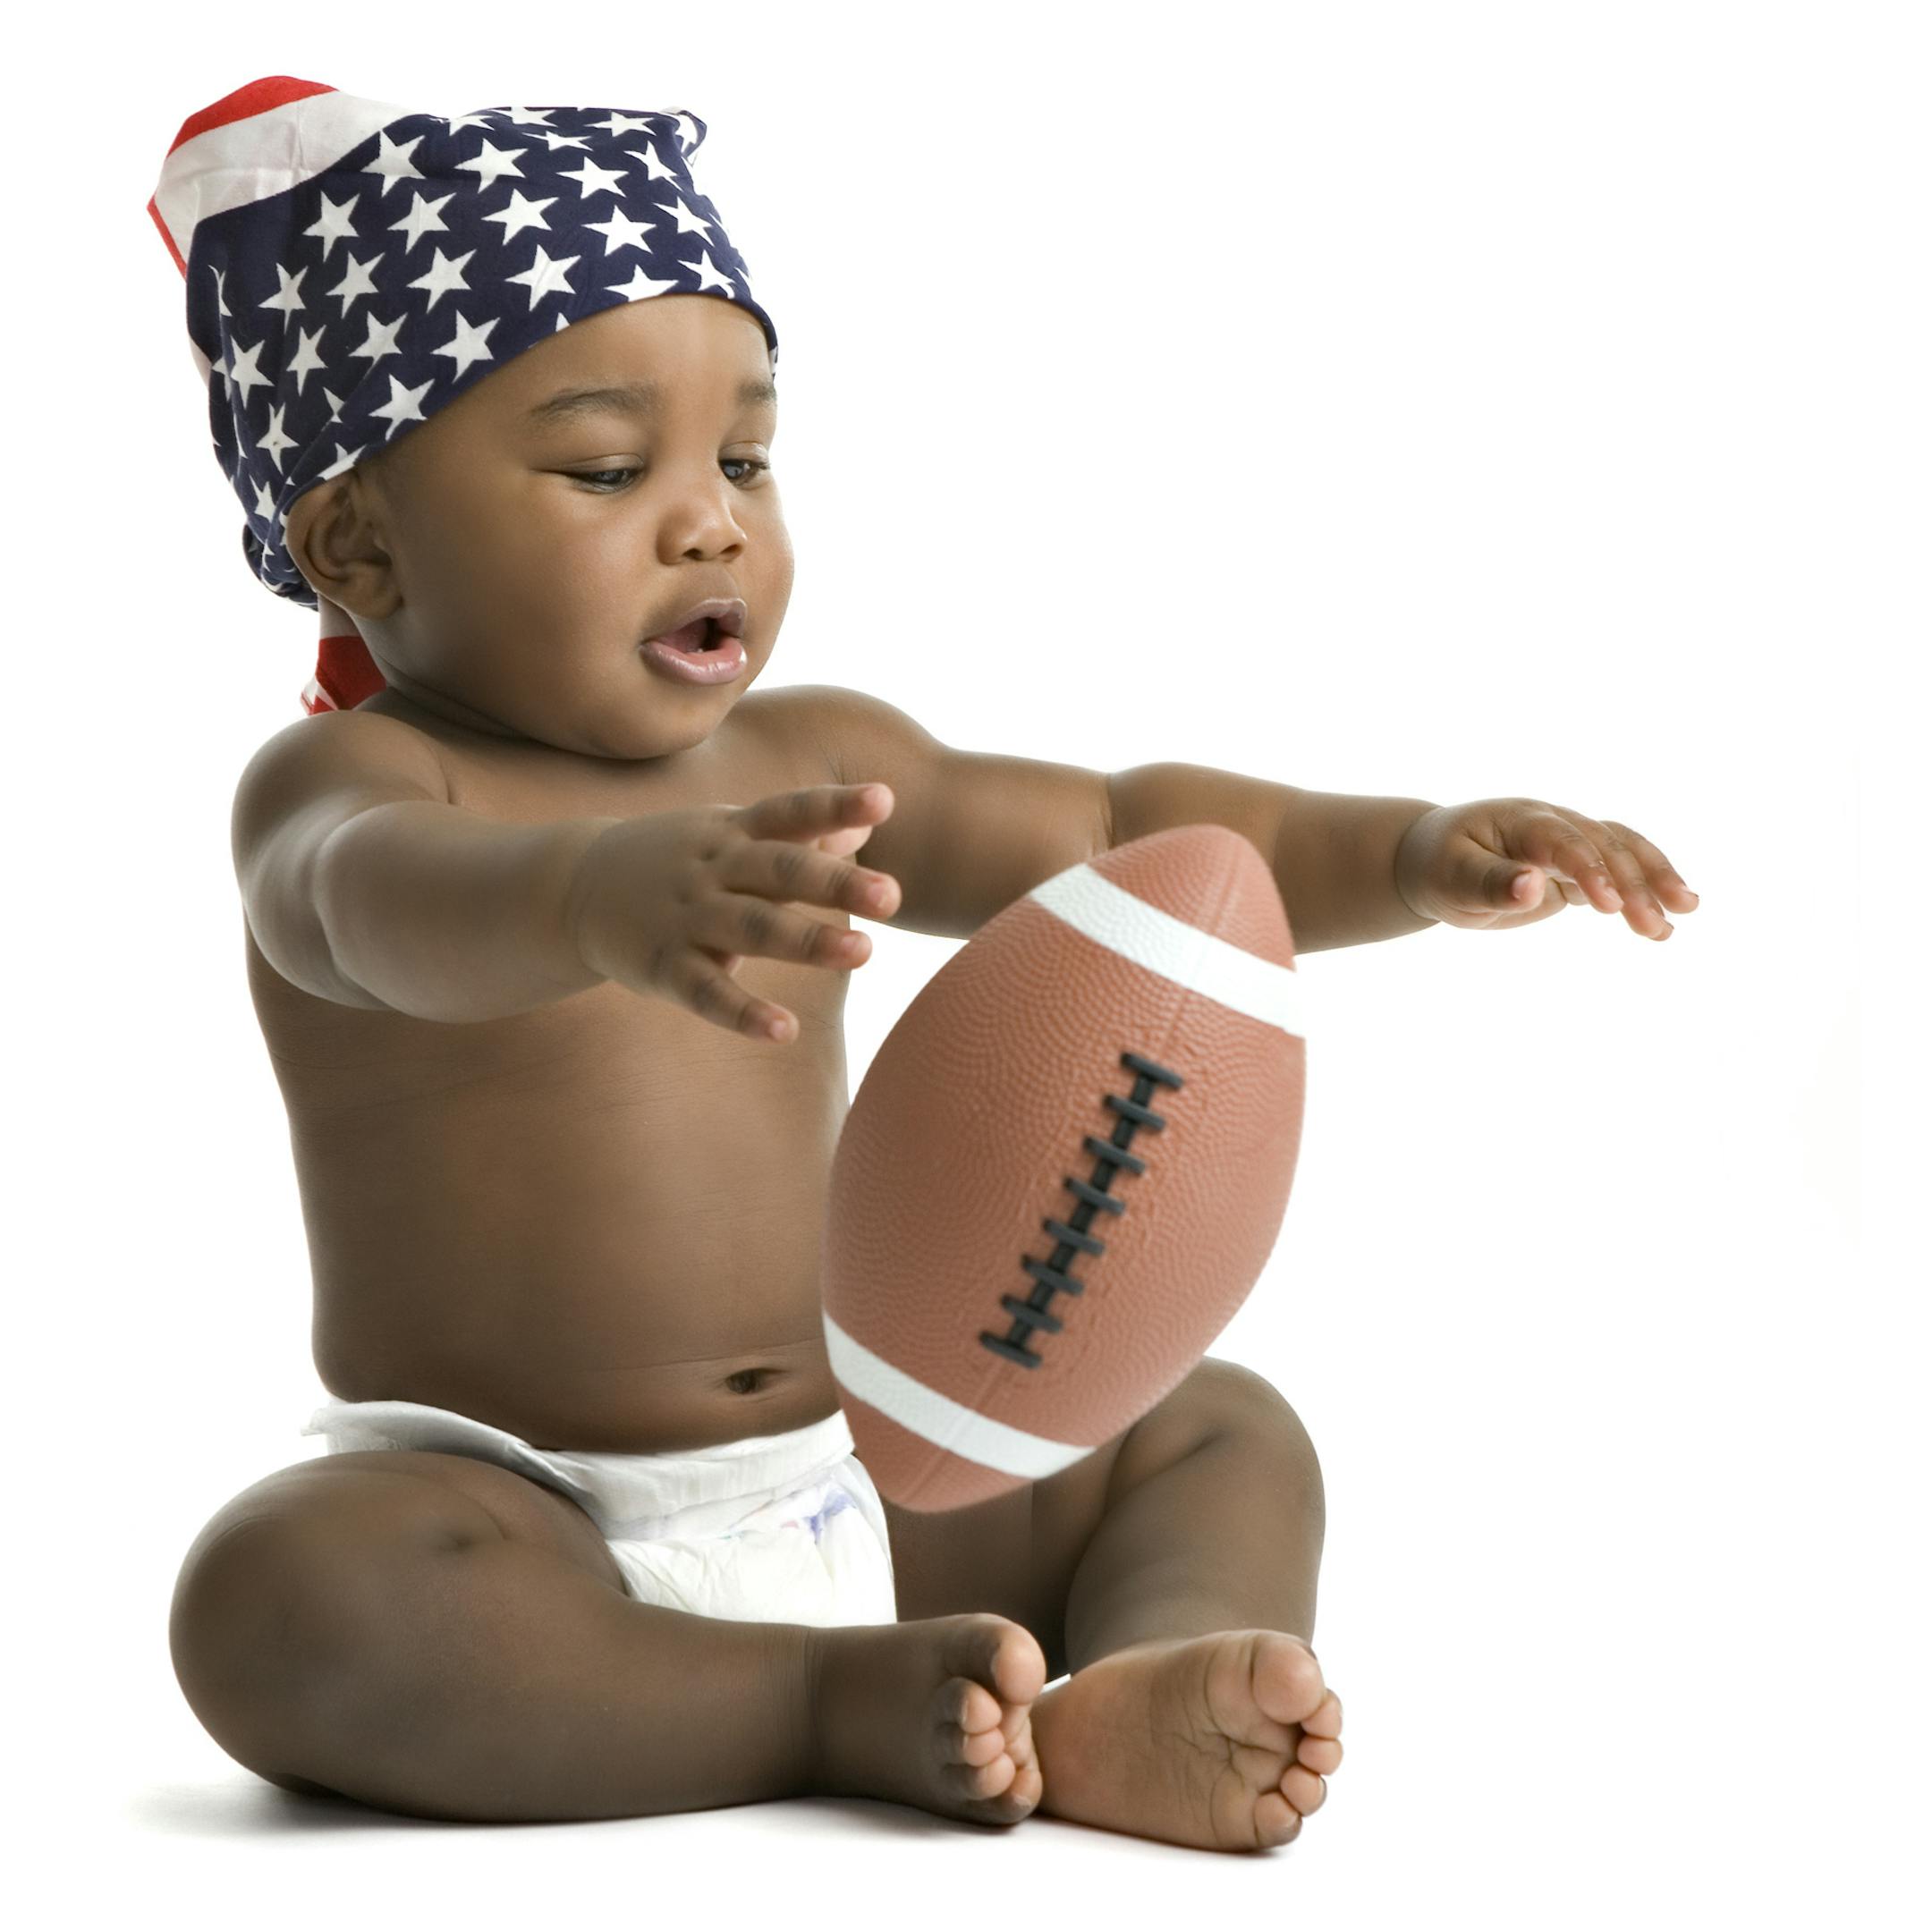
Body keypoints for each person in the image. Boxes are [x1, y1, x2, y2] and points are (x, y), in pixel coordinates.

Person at [153, 77, 1694, 1852]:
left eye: (744, 457)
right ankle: (821, 1702)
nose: (711, 520)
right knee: (283, 1596)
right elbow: (363, 901)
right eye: (605, 467)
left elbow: (1127, 828)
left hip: (871, 1469)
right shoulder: (352, 785)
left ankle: (1140, 1682)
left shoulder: (805, 757)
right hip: (521, 1513)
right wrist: (597, 899)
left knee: (1214, 1429)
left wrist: (1411, 851)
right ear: (360, 544)